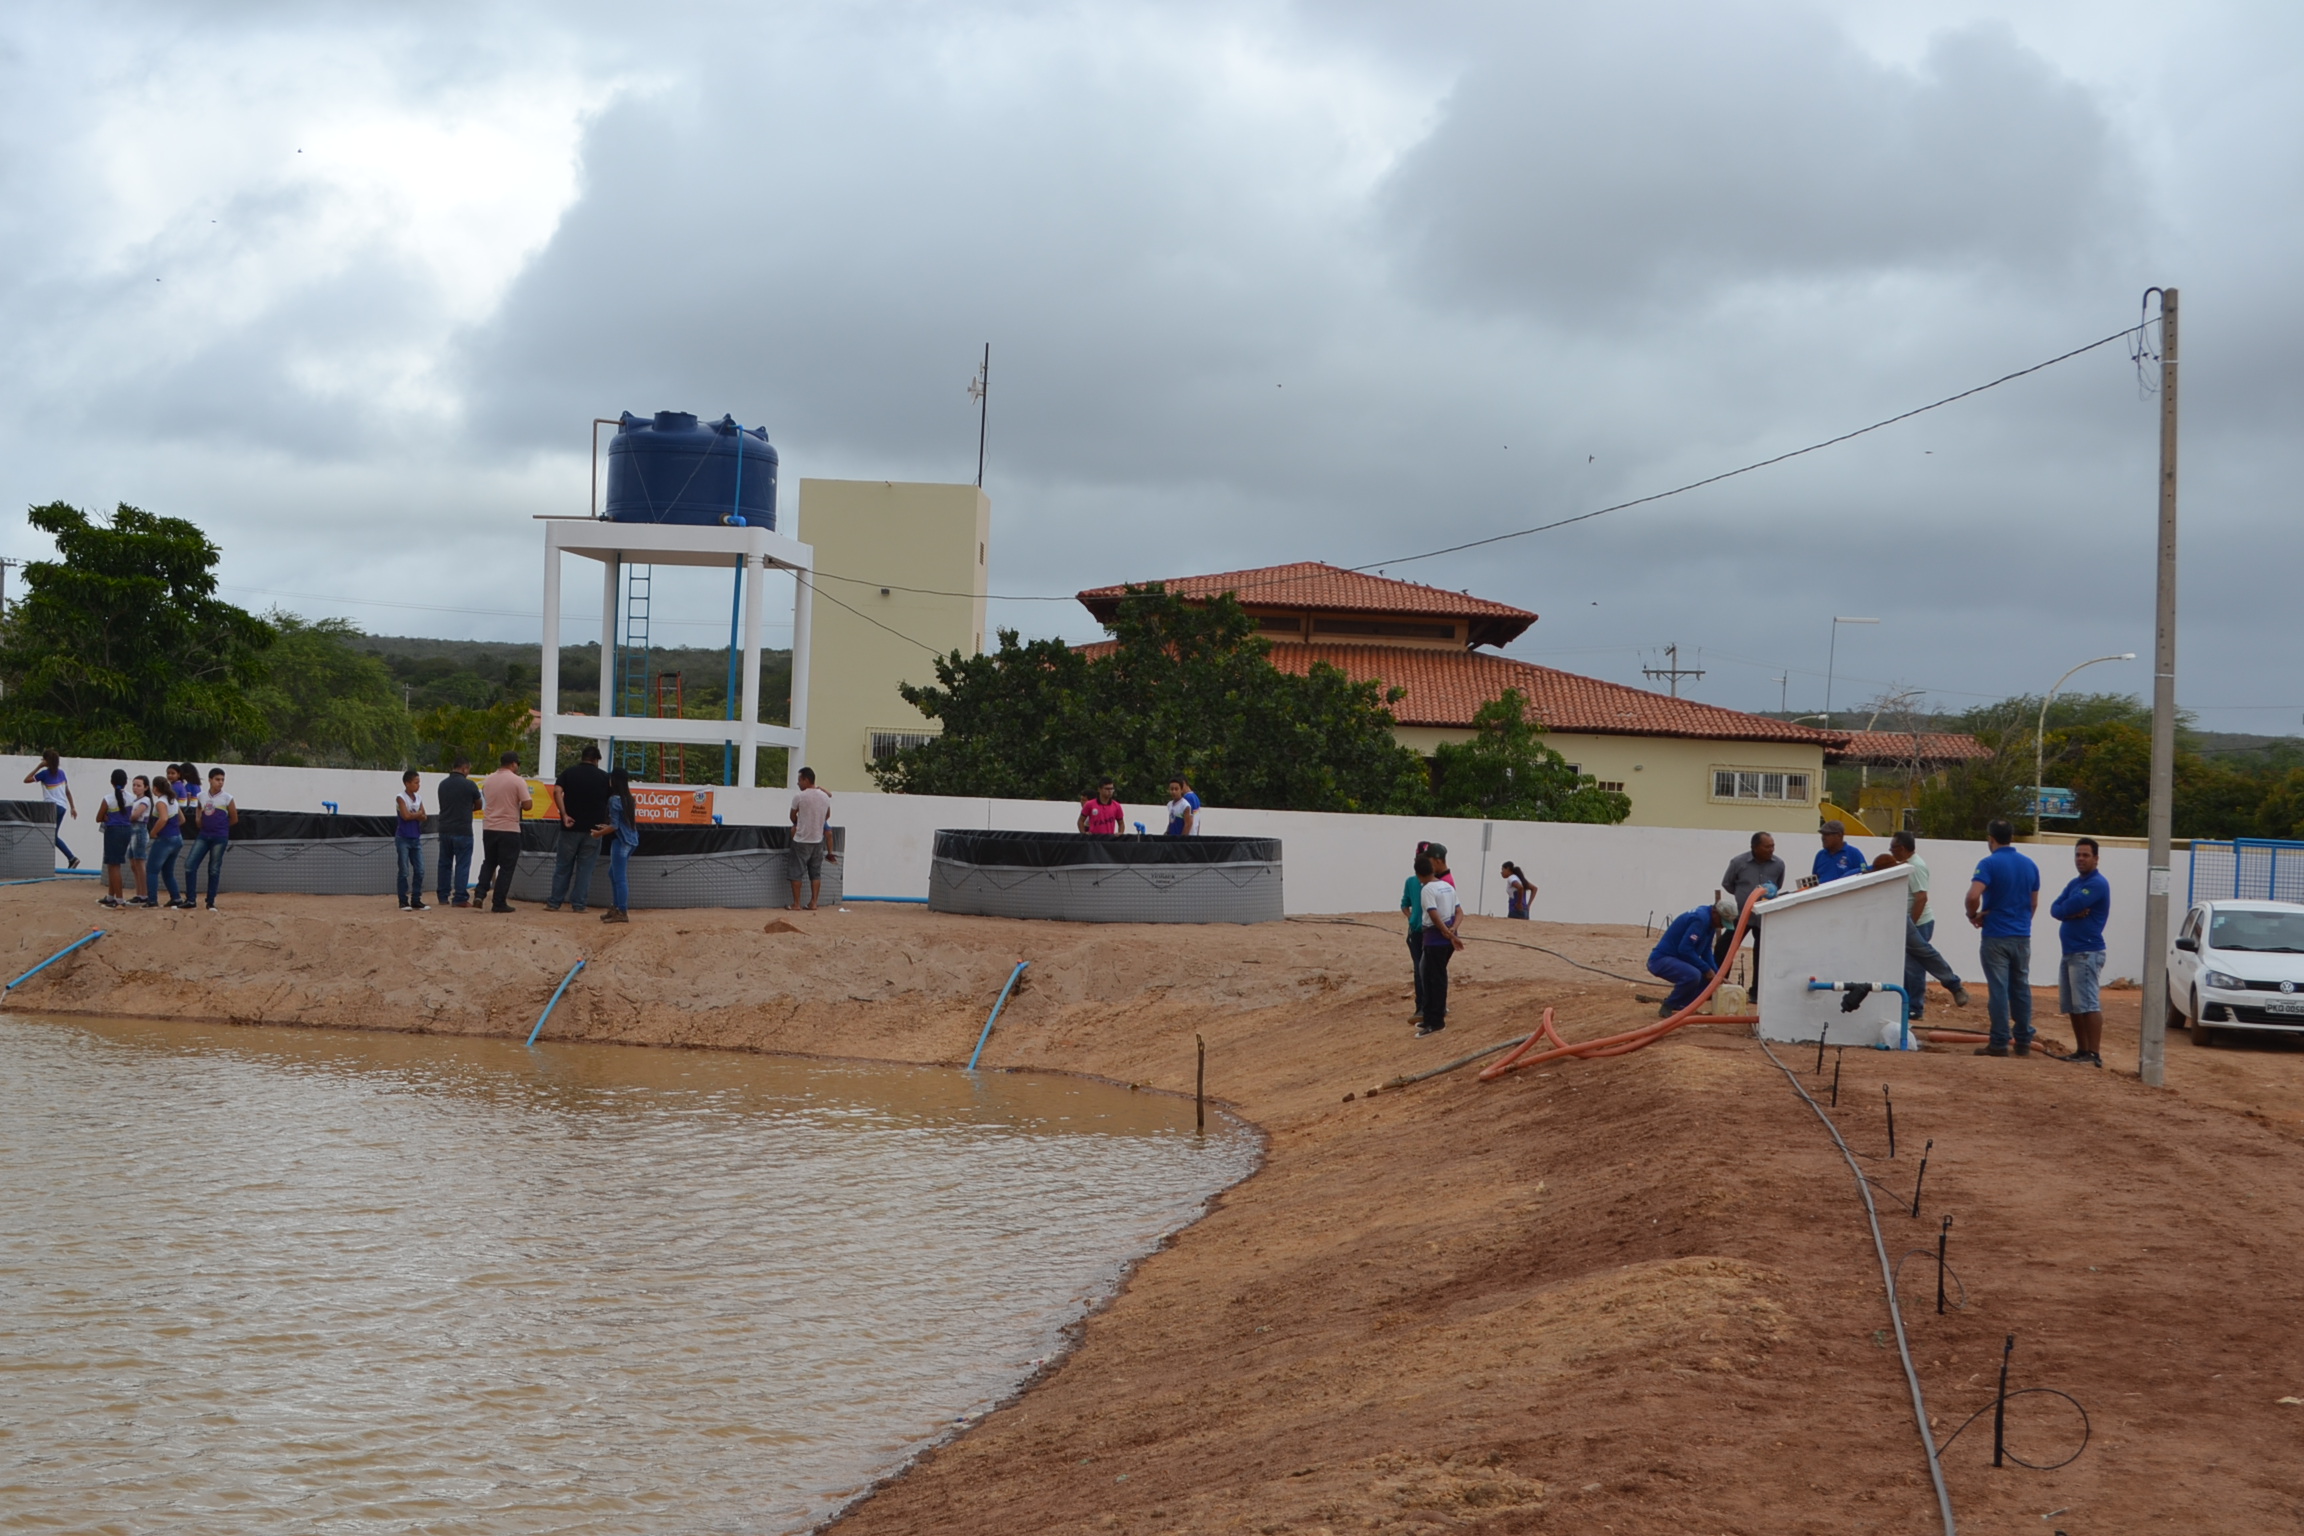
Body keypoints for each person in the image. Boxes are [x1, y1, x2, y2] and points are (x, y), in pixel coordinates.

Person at [1965, 818, 2041, 1057]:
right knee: (2021, 987)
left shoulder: (1988, 863)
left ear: (1991, 838)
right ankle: (2023, 1040)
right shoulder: (2029, 865)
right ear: (2012, 837)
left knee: (1998, 989)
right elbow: (2033, 902)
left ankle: (1999, 1041)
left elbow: (1973, 895)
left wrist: (1973, 914)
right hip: (2021, 935)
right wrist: (2021, 922)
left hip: (1996, 935)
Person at [1887, 830, 1968, 1021]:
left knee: (1917, 963)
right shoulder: (1907, 865)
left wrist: (1911, 925)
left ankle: (1916, 1006)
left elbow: (1921, 897)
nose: (1891, 852)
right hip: (1910, 922)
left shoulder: (1916, 866)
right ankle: (1911, 1005)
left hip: (1918, 922)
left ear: (1903, 848)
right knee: (1911, 964)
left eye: (1893, 848)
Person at [2049, 837, 2112, 1067]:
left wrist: (2069, 910)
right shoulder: (2075, 883)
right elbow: (2055, 909)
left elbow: (2068, 906)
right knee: (2074, 1005)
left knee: (2088, 1004)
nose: (2081, 859)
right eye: (2078, 855)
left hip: (2087, 951)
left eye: (2086, 855)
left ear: (2096, 858)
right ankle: (2081, 1050)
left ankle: (2093, 1054)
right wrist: (2070, 913)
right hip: (2070, 952)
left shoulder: (2097, 884)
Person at [1717, 832, 1786, 993]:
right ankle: (1720, 984)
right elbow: (1728, 884)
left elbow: (1779, 885)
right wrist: (1744, 897)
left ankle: (1756, 992)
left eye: (1773, 846)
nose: (1771, 849)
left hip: (1764, 917)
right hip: (1742, 915)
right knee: (1724, 947)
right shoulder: (1738, 862)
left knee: (1761, 953)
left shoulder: (1779, 865)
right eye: (1767, 846)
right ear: (1754, 847)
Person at [545, 744, 611, 913]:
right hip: (594, 831)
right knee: (585, 869)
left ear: (582, 757)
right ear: (596, 760)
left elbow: (557, 791)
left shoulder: (568, 773)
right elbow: (612, 801)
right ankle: (579, 905)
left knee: (563, 866)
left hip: (570, 828)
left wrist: (564, 814)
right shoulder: (604, 777)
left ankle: (554, 903)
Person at [472, 751, 532, 914]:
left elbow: (485, 796)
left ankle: (479, 894)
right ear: (513, 764)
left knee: (489, 862)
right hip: (509, 829)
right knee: (506, 866)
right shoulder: (517, 781)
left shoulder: (489, 779)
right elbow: (527, 805)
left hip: (489, 827)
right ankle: (498, 902)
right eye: (517, 765)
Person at [1418, 844, 1464, 1038]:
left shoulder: (1428, 889)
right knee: (1433, 977)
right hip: (1444, 939)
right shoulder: (1447, 885)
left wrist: (1447, 932)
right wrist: (1452, 931)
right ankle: (1430, 1017)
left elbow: (1433, 913)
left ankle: (1436, 1021)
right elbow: (1459, 911)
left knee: (1434, 979)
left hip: (1435, 939)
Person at [1647, 901, 1718, 1017]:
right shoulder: (1701, 919)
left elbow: (1706, 951)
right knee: (1693, 975)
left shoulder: (1711, 923)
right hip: (1661, 959)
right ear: (1715, 913)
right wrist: (1706, 969)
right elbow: (1685, 949)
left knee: (1709, 979)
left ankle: (1683, 1006)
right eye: (1723, 922)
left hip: (1679, 959)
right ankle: (1669, 1005)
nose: (1723, 926)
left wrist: (1717, 974)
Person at [183, 767, 237, 909]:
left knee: (213, 868)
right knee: (190, 865)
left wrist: (222, 828)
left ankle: (210, 901)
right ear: (210, 780)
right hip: (204, 835)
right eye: (217, 779)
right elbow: (199, 808)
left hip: (219, 837)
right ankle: (190, 899)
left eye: (222, 780)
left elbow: (234, 818)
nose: (220, 783)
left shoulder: (227, 798)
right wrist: (198, 819)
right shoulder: (202, 795)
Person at [594, 766, 639, 923]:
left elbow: (615, 826)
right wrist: (605, 828)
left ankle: (622, 910)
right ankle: (617, 907)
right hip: (632, 840)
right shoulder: (629, 799)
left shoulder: (614, 800)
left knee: (619, 877)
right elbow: (621, 824)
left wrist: (598, 833)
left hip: (621, 842)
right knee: (613, 874)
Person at [434, 755, 481, 906]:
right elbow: (478, 805)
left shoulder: (443, 785)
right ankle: (460, 897)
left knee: (444, 864)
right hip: (463, 830)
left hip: (445, 829)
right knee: (462, 864)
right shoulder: (470, 785)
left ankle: (442, 896)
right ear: (464, 768)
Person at [788, 766, 834, 910]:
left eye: (799, 780)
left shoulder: (799, 797)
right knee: (815, 873)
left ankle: (796, 904)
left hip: (801, 840)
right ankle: (813, 902)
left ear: (806, 780)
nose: (798, 783)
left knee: (796, 872)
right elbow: (827, 815)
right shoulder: (824, 796)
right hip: (817, 840)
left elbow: (792, 816)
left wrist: (799, 823)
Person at [25, 750, 78, 870]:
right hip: (62, 807)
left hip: (51, 808)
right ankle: (70, 858)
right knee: (52, 835)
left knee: (47, 834)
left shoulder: (44, 774)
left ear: (46, 761)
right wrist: (73, 807)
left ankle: (71, 858)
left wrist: (39, 766)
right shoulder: (62, 773)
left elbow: (26, 779)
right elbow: (67, 792)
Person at [1402, 847, 1433, 1024]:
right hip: (1417, 932)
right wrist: (1412, 919)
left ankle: (1430, 1005)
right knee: (1420, 969)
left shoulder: (1435, 884)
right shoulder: (1411, 882)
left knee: (1429, 969)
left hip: (1429, 931)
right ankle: (1421, 1006)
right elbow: (1404, 903)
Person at [144, 769, 184, 909]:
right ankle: (176, 897)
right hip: (177, 838)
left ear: (155, 788)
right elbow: (182, 819)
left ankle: (152, 900)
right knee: (168, 871)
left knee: (152, 870)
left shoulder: (160, 802)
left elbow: (163, 818)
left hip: (165, 839)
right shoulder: (173, 800)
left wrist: (154, 832)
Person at [97, 768, 136, 908]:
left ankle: (119, 899)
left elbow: (98, 817)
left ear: (111, 782)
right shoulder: (132, 798)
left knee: (113, 865)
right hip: (126, 830)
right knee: (115, 863)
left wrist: (107, 817)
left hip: (112, 831)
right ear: (126, 782)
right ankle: (110, 896)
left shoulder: (108, 799)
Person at [393, 770, 430, 911]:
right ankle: (403, 900)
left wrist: (416, 814)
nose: (418, 785)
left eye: (418, 782)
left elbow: (424, 816)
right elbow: (405, 816)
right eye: (415, 783)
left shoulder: (418, 798)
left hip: (415, 838)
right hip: (403, 838)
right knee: (404, 871)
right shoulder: (400, 798)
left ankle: (416, 899)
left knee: (420, 870)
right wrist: (418, 814)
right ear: (407, 783)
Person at [124, 774, 152, 904]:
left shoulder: (145, 800)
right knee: (134, 863)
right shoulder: (134, 801)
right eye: (134, 785)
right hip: (132, 831)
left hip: (139, 830)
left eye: (138, 785)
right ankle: (139, 893)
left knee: (139, 863)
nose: (135, 788)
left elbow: (135, 815)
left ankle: (144, 894)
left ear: (145, 787)